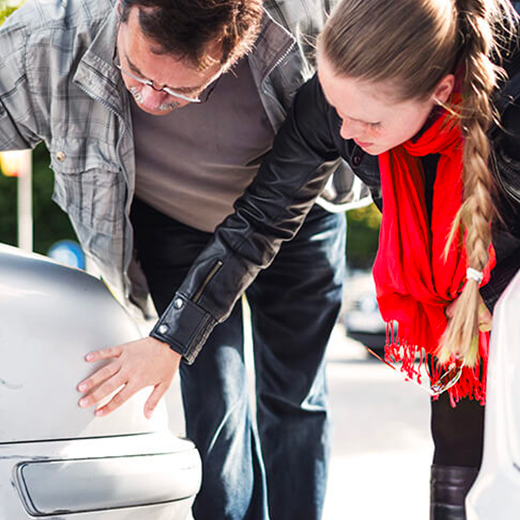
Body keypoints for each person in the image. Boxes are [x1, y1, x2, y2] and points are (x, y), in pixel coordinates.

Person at [0, 1, 370, 519]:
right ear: (125, 11)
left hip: (295, 216)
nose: (151, 100)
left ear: (236, 45)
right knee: (214, 403)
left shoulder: (306, 20)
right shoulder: (46, 39)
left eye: (180, 91)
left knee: (295, 402)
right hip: (175, 226)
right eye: (136, 73)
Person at [208, 0, 519, 518]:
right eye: (337, 109)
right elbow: (258, 221)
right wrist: (171, 338)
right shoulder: (346, 102)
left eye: (368, 120)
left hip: (504, 308)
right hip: (461, 330)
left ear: (441, 93)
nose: (346, 132)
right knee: (458, 459)